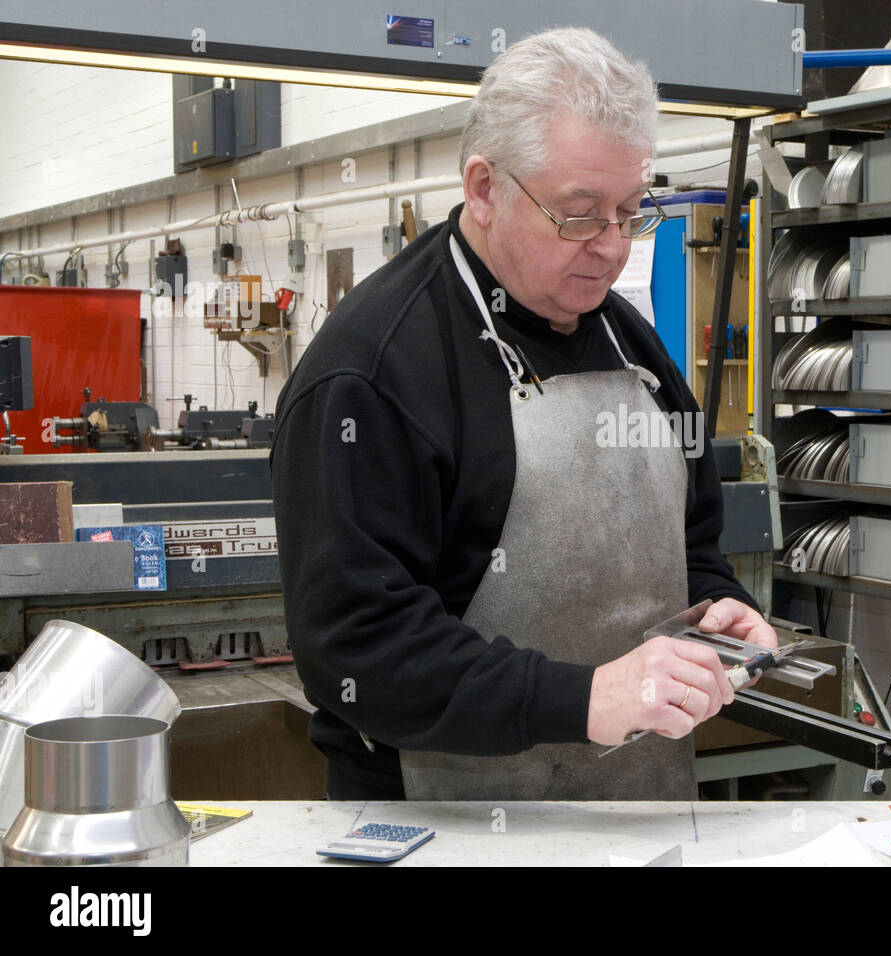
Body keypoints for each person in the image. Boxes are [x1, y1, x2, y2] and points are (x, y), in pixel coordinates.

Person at [270, 26, 776, 802]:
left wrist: (720, 612)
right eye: (579, 214)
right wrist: (583, 699)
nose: (611, 247)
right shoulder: (371, 372)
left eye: (631, 211)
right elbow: (356, 647)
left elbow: (692, 540)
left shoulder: (632, 345)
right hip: (439, 820)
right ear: (484, 188)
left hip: (637, 800)